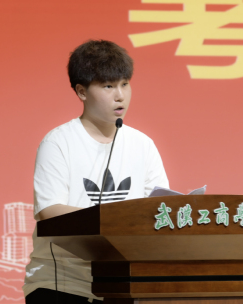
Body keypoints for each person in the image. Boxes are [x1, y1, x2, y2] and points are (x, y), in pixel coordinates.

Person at [23, 40, 170, 304]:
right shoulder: (58, 142)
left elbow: (159, 208)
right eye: (108, 86)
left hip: (124, 283)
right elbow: (50, 211)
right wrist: (117, 220)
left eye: (125, 84)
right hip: (63, 284)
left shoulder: (142, 144)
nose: (120, 95)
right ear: (82, 91)